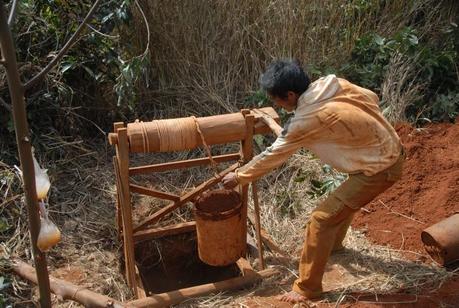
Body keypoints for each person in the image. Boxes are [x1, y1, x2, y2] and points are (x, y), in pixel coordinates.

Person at [222, 59, 404, 303]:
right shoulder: (332, 83)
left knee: (320, 220)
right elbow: (371, 96)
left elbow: (273, 155)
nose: (274, 103)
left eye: (276, 99)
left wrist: (240, 176)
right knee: (342, 204)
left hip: (380, 167)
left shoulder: (307, 120)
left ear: (289, 94)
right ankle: (335, 248)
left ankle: (306, 289)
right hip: (385, 149)